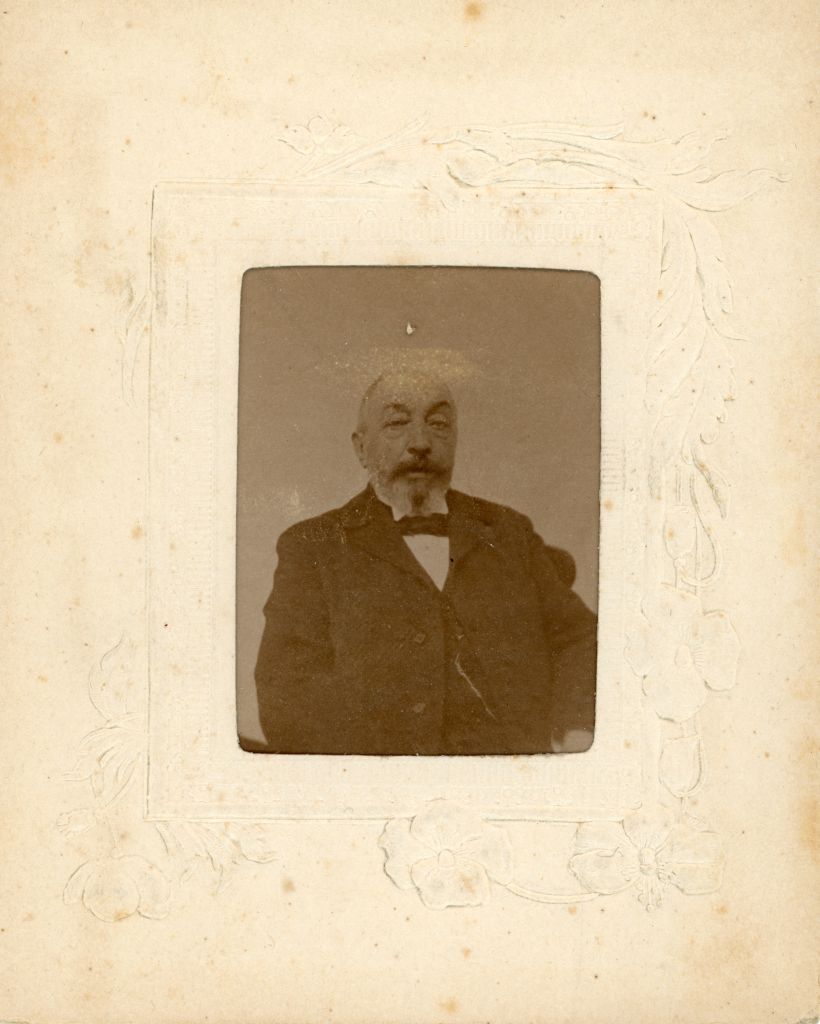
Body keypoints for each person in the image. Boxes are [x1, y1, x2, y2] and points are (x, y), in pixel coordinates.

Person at [253, 368, 597, 756]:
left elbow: (579, 638)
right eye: (397, 423)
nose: (420, 442)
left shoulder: (508, 532)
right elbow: (286, 689)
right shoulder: (312, 546)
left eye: (439, 424)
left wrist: (576, 733)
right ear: (361, 448)